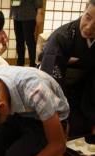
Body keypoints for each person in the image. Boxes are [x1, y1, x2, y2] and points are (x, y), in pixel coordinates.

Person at [40, 0, 95, 138]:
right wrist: (62, 118)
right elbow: (51, 79)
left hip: (85, 92)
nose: (89, 27)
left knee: (84, 129)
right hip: (59, 89)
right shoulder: (62, 37)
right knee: (67, 130)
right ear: (84, 10)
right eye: (88, 17)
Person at [11, 0, 43, 67]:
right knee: (19, 40)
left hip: (29, 15)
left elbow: (38, 2)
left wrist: (39, 14)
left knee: (29, 41)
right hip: (16, 15)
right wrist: (12, 13)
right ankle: (20, 62)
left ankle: (32, 64)